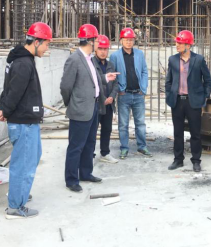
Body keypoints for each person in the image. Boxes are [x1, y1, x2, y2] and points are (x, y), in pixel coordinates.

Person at [0, 22, 52, 219]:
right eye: (46, 44)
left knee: (32, 158)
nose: (46, 49)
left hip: (25, 121)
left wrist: (3, 108)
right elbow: (14, 92)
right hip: (23, 122)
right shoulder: (23, 63)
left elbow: (8, 88)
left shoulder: (21, 60)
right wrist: (5, 109)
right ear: (36, 42)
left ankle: (20, 193)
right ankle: (15, 206)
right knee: (23, 164)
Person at [60, 24, 118, 193]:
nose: (98, 44)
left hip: (94, 107)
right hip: (80, 109)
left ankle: (86, 173)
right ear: (90, 41)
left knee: (89, 143)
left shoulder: (90, 59)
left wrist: (105, 78)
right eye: (96, 40)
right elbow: (65, 86)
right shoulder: (74, 59)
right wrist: (71, 103)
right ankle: (71, 179)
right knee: (76, 146)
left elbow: (94, 79)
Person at [165, 30, 211, 172]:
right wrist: (169, 94)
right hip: (177, 101)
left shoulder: (198, 60)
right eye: (177, 43)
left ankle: (196, 160)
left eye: (180, 43)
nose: (177, 45)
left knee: (195, 133)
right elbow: (168, 80)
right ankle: (178, 159)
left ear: (188, 45)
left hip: (193, 102)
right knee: (177, 133)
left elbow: (207, 80)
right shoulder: (173, 60)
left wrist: (205, 96)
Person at [109, 27, 151, 159]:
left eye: (131, 40)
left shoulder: (139, 54)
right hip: (124, 95)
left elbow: (144, 71)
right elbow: (113, 75)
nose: (129, 42)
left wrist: (143, 89)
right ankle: (124, 148)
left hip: (138, 94)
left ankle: (142, 146)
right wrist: (119, 90)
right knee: (123, 124)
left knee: (140, 123)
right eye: (126, 40)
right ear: (121, 40)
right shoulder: (115, 56)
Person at [92, 34, 119, 164]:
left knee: (107, 129)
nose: (103, 52)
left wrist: (112, 97)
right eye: (100, 48)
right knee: (92, 130)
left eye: (105, 49)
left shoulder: (111, 65)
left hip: (108, 104)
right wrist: (102, 98)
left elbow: (116, 83)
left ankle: (105, 153)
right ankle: (89, 153)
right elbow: (93, 84)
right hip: (96, 103)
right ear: (96, 49)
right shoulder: (91, 64)